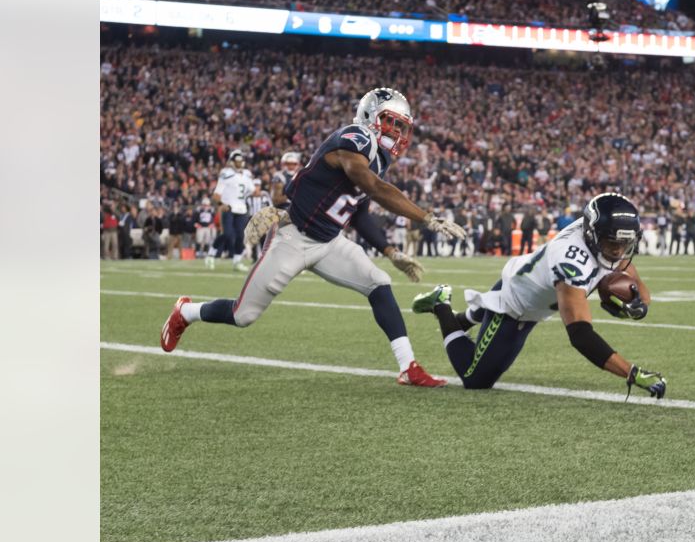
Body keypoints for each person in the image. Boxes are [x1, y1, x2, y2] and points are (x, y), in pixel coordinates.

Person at [160, 87, 469, 387]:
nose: (396, 132)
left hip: (330, 243)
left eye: (400, 126)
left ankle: (408, 367)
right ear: (369, 115)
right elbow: (371, 186)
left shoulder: (379, 159)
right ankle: (185, 312)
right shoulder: (355, 137)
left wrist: (391, 252)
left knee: (379, 282)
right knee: (243, 315)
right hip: (294, 238)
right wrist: (427, 218)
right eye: (390, 122)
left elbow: (359, 211)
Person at [411, 193, 666, 398]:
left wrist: (639, 305)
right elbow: (580, 335)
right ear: (592, 235)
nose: (619, 251)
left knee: (492, 319)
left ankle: (471, 315)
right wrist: (631, 373)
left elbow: (633, 280)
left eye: (625, 245)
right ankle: (441, 304)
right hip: (515, 303)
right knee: (475, 379)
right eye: (613, 244)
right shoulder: (571, 261)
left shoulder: (600, 233)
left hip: (535, 294)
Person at [214, 149, 255, 272]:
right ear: (232, 161)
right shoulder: (226, 173)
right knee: (228, 234)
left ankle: (237, 262)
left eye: (240, 161)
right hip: (229, 207)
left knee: (241, 236)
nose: (239, 163)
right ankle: (212, 252)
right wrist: (221, 203)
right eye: (236, 161)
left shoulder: (247, 174)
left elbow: (252, 191)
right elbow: (216, 193)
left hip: (242, 208)